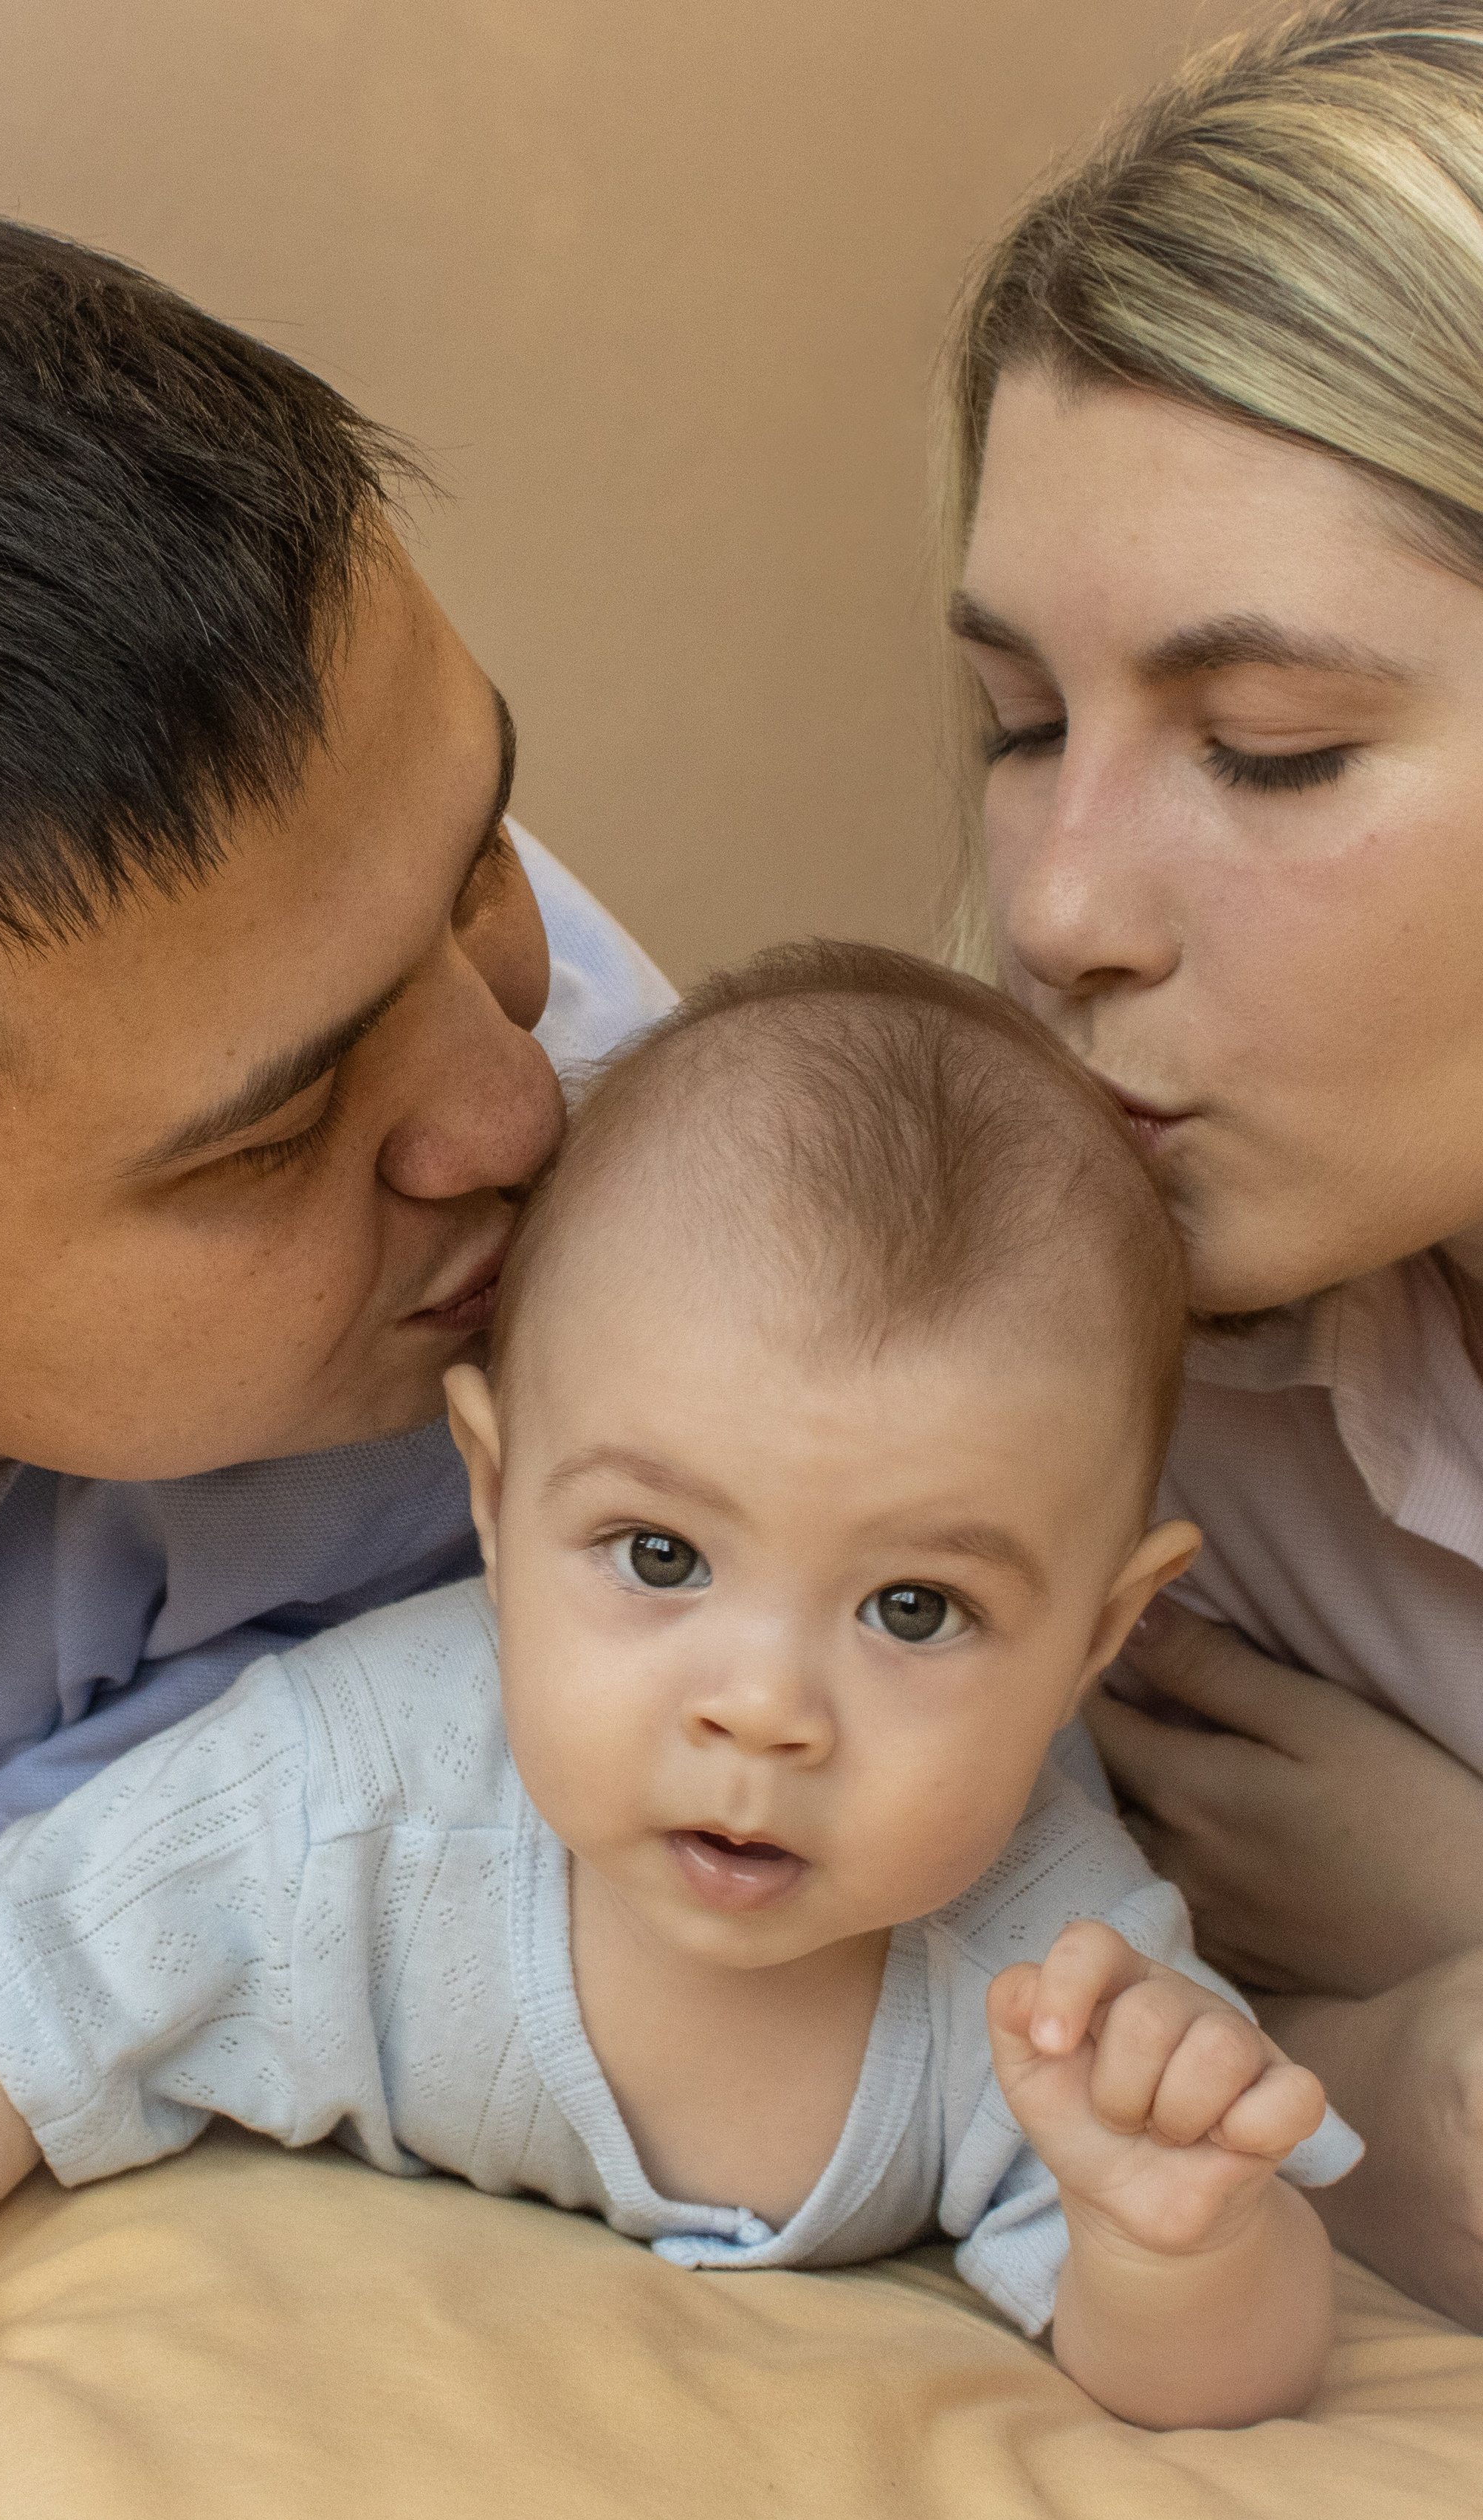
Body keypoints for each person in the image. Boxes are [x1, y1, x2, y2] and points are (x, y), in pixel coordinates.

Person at [0, 946, 1362, 2431]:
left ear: (1095, 1638)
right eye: (659, 1556)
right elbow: (15, 1976)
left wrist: (1174, 2235)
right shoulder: (350, 1786)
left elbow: (1226, 2376)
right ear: (490, 1490)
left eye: (914, 1608)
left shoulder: (1056, 1977)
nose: (761, 1710)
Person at [0, 185, 670, 2075]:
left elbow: (4, 1970)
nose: (520, 1111)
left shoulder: (624, 1286)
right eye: (277, 1132)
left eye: (477, 858)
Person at [936, 0, 1483, 2328]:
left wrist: (1447, 1913)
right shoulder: (1107, 1401)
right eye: (1020, 723)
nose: (1062, 904)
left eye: (1266, 746)